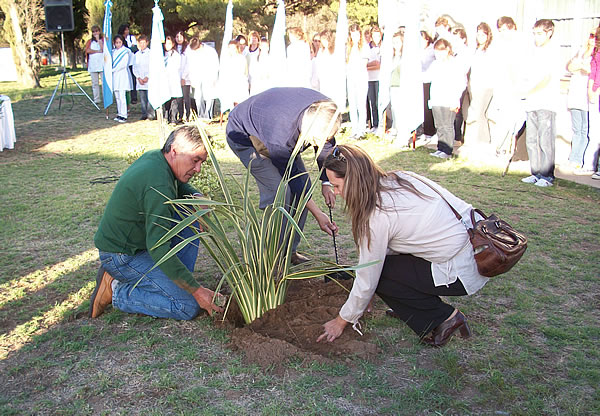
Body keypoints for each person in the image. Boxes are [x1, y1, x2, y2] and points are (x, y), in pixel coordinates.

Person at [316, 144, 488, 346]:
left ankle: (444, 318)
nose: (335, 192)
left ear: (353, 181)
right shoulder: (401, 178)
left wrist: (342, 320)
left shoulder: (376, 215)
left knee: (382, 276)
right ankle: (411, 308)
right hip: (477, 248)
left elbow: (368, 275)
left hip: (462, 270)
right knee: (386, 270)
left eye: (336, 186)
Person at [91, 125, 224, 320]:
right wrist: (196, 291)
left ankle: (172, 282)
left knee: (192, 217)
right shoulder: (158, 185)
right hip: (122, 256)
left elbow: (178, 184)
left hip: (139, 244)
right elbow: (159, 247)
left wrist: (196, 197)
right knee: (186, 305)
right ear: (175, 151)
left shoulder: (158, 159)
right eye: (195, 160)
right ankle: (117, 291)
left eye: (201, 162)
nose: (198, 169)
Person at [225, 87, 339, 264]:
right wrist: (318, 214)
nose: (318, 143)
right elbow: (294, 180)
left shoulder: (327, 112)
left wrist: (326, 183)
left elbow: (326, 149)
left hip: (271, 126)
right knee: (279, 192)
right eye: (315, 139)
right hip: (246, 136)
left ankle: (289, 252)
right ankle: (270, 258)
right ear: (305, 129)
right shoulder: (282, 134)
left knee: (300, 191)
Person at [521, 19, 561, 187]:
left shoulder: (553, 51)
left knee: (545, 140)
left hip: (546, 102)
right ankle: (535, 173)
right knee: (531, 139)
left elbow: (547, 78)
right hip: (531, 103)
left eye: (540, 34)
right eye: (534, 34)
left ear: (549, 33)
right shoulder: (534, 52)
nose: (536, 37)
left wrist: (531, 91)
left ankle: (547, 176)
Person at [424, 39, 467, 159]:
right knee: (439, 125)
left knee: (447, 125)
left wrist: (456, 99)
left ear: (447, 50)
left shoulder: (455, 64)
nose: (438, 54)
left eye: (440, 51)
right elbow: (427, 77)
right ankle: (441, 147)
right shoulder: (435, 64)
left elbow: (461, 83)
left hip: (449, 100)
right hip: (437, 99)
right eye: (436, 52)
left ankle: (447, 150)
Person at [463, 22, 494, 153]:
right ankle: (471, 140)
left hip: (485, 85)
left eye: (483, 34)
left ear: (488, 36)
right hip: (473, 84)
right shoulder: (475, 50)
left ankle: (482, 141)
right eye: (478, 34)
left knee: (479, 113)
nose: (480, 37)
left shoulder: (490, 51)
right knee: (471, 112)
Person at [566, 32, 594, 170]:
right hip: (576, 96)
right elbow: (570, 67)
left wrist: (582, 66)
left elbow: (590, 71)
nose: (593, 39)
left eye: (595, 36)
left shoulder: (597, 55)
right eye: (591, 36)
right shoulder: (581, 51)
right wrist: (581, 65)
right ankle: (574, 158)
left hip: (588, 98)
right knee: (577, 129)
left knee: (586, 130)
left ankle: (582, 159)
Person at [346, 24, 369, 139]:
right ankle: (354, 129)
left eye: (356, 34)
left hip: (361, 78)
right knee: (353, 105)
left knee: (361, 104)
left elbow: (364, 64)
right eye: (352, 34)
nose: (354, 36)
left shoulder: (364, 46)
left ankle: (361, 130)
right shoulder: (349, 47)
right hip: (351, 78)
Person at [187, 37, 219, 120]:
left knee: (209, 97)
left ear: (200, 45)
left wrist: (214, 78)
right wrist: (191, 78)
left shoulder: (210, 51)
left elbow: (215, 65)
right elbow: (190, 65)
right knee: (198, 97)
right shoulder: (191, 52)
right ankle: (201, 115)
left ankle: (208, 115)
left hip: (209, 76)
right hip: (197, 77)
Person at [585, 26, 600, 180]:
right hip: (594, 94)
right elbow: (594, 71)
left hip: (598, 93)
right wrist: (590, 89)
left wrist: (597, 90)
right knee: (594, 132)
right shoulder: (596, 52)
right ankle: (589, 165)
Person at [163, 35, 183, 125]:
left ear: (173, 44)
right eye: (166, 44)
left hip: (173, 79)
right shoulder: (163, 55)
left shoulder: (176, 55)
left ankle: (173, 118)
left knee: (174, 100)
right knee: (166, 99)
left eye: (169, 43)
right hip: (165, 80)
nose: (167, 45)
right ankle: (166, 116)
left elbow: (177, 67)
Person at [112, 34, 132, 123]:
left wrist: (113, 70)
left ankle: (124, 114)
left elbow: (123, 64)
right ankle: (119, 113)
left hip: (122, 75)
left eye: (120, 42)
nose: (118, 44)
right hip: (115, 76)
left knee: (122, 96)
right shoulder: (113, 52)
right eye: (116, 43)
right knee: (117, 96)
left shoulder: (125, 52)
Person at [132, 34, 152, 120]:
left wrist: (147, 77)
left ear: (147, 43)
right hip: (140, 79)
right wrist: (139, 77)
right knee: (142, 98)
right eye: (141, 43)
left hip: (148, 79)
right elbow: (134, 67)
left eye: (144, 42)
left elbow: (152, 66)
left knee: (149, 97)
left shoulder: (150, 53)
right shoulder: (136, 54)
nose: (142, 44)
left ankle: (151, 114)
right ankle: (144, 113)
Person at [366, 25, 382, 133]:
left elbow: (380, 65)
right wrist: (372, 64)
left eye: (378, 36)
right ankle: (374, 124)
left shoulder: (383, 47)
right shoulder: (367, 48)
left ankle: (381, 124)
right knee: (372, 102)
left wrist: (372, 65)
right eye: (374, 36)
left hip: (379, 78)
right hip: (369, 78)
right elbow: (364, 65)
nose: (376, 38)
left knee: (379, 102)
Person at [118, 24, 138, 104]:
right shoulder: (120, 38)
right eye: (125, 30)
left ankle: (134, 97)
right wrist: (129, 49)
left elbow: (135, 48)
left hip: (132, 61)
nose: (127, 31)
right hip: (124, 63)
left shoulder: (131, 38)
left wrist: (129, 49)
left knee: (133, 80)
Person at [175, 31, 192, 122]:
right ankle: (180, 115)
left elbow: (188, 64)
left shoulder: (188, 49)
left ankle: (188, 115)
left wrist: (183, 77)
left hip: (185, 77)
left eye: (180, 36)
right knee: (179, 97)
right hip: (176, 77)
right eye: (177, 37)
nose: (179, 38)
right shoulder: (174, 49)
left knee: (186, 97)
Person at [84, 25, 104, 104]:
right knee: (95, 83)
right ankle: (97, 99)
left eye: (97, 31)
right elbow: (88, 50)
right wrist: (96, 51)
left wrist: (99, 41)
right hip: (93, 65)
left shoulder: (103, 40)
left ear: (99, 31)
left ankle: (105, 98)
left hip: (102, 65)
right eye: (94, 32)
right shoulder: (89, 41)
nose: (95, 33)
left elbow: (103, 49)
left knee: (103, 83)